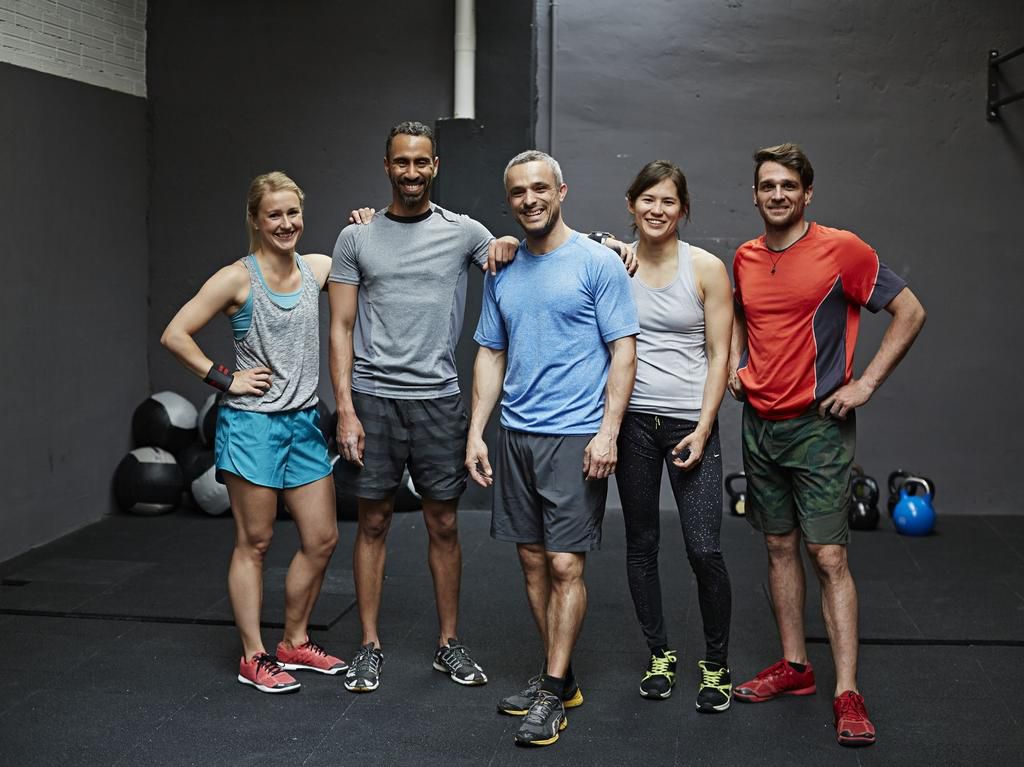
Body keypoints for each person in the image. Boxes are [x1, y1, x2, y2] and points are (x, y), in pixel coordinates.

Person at [728, 143, 926, 747]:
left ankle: (847, 691)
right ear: (755, 194)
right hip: (760, 427)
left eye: (789, 185)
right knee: (779, 546)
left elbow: (910, 310)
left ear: (807, 193)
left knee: (829, 557)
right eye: (767, 186)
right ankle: (795, 666)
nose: (778, 194)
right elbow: (744, 316)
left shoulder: (843, 250)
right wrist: (739, 363)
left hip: (818, 427)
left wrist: (865, 382)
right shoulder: (744, 256)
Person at [328, 120, 518, 694]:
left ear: (435, 167)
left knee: (442, 523)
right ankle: (368, 645)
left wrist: (609, 246)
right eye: (401, 162)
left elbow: (528, 249)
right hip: (374, 398)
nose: (412, 172)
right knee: (374, 521)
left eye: (422, 162)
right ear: (387, 166)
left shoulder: (464, 233)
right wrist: (345, 407)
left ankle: (448, 644)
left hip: (439, 399)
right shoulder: (356, 237)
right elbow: (339, 326)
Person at [466, 150, 640, 747]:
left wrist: (608, 431)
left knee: (566, 564)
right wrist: (476, 432)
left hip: (575, 436)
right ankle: (556, 679)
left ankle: (552, 689)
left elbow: (623, 349)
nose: (530, 200)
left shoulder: (598, 263)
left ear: (561, 190)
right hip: (516, 434)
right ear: (509, 200)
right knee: (533, 563)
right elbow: (491, 351)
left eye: (540, 188)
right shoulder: (503, 268)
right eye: (518, 192)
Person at [161, 172, 345, 694]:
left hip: (305, 422)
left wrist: (363, 228)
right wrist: (225, 378)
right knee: (256, 541)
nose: (286, 224)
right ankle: (254, 655)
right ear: (255, 220)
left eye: (293, 213)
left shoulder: (318, 268)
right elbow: (175, 333)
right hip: (252, 424)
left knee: (322, 538)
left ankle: (294, 641)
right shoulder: (237, 278)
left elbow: (371, 268)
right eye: (274, 215)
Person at [613, 161, 734, 712]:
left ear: (683, 209)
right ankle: (659, 653)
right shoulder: (617, 264)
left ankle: (715, 664)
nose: (657, 210)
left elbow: (719, 356)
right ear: (632, 204)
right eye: (648, 200)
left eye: (668, 201)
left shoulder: (706, 269)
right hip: (634, 423)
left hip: (691, 422)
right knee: (641, 546)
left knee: (703, 549)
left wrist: (705, 426)